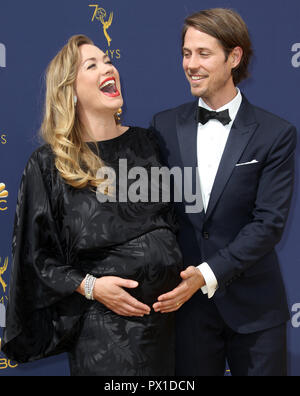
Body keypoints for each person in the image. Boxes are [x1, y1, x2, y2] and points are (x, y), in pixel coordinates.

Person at [1, 34, 183, 376]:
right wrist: (92, 287)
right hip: (105, 337)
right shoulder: (48, 165)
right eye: (92, 64)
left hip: (169, 328)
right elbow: (35, 257)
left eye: (108, 61)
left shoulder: (147, 142)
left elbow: (171, 221)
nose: (107, 68)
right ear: (69, 91)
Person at [151, 8, 297, 376]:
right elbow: (152, 211)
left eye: (204, 53)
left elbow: (268, 224)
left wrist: (207, 273)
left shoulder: (275, 134)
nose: (191, 64)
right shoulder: (164, 125)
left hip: (256, 312)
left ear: (234, 57)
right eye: (186, 53)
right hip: (188, 314)